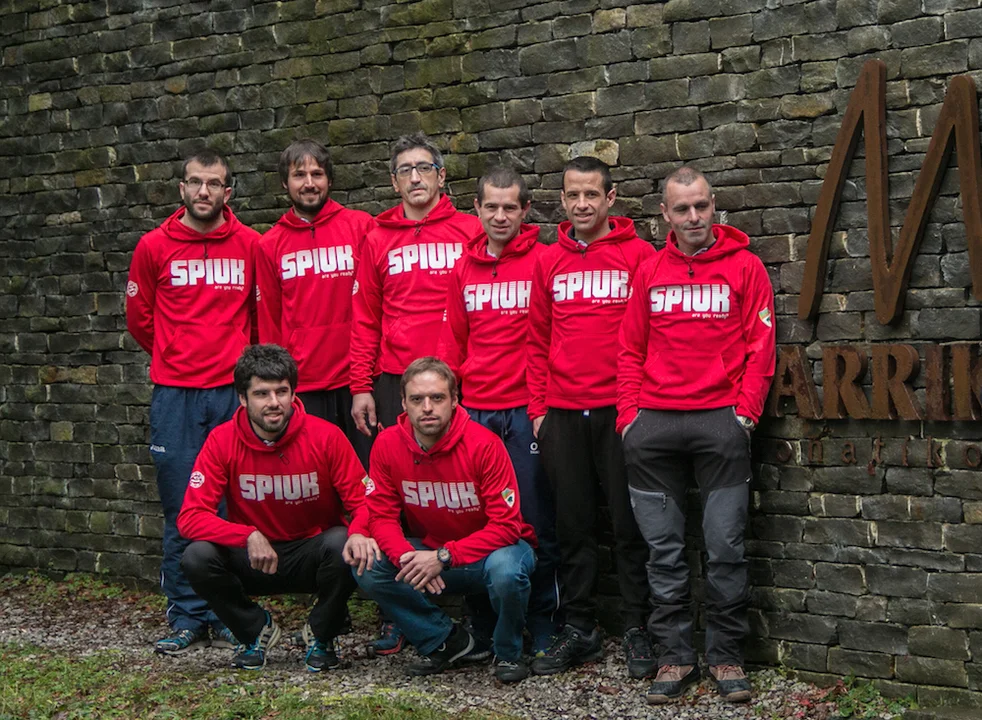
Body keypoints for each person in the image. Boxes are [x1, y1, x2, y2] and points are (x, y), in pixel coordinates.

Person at [617, 166, 776, 704]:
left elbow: (761, 349)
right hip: (654, 427)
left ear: (714, 206)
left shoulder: (745, 266)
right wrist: (630, 419)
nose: (693, 217)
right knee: (663, 552)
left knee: (725, 546)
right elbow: (629, 348)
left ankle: (727, 656)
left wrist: (744, 416)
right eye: (681, 208)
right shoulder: (649, 270)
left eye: (701, 206)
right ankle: (675, 657)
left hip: (719, 423)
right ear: (665, 213)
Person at [526, 156, 657, 679]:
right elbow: (536, 340)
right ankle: (580, 628)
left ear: (610, 198)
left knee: (629, 527)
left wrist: (637, 409)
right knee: (573, 528)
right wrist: (539, 411)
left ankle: (637, 627)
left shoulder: (640, 256)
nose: (582, 205)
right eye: (573, 195)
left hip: (620, 414)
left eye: (591, 195)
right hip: (562, 414)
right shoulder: (546, 261)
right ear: (562, 200)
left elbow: (652, 336)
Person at [126, 148, 259, 655]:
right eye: (195, 182)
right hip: (176, 396)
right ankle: (186, 614)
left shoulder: (250, 245)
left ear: (229, 191)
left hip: (231, 396)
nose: (204, 191)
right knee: (182, 507)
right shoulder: (153, 246)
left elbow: (259, 317)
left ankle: (227, 612)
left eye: (214, 183)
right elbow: (140, 319)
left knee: (233, 506)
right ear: (182, 188)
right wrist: (175, 355)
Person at [177, 344, 380, 671]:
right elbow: (190, 517)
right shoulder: (221, 440)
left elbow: (367, 503)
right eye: (262, 394)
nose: (274, 402)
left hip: (310, 555)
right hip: (254, 558)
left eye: (281, 392)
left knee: (346, 541)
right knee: (196, 557)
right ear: (242, 398)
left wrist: (358, 532)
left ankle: (322, 634)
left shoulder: (326, 436)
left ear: (293, 393)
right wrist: (246, 535)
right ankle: (254, 631)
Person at [437, 166, 560, 656]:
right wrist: (452, 407)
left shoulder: (545, 260)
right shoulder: (462, 269)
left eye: (511, 207)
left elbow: (553, 338)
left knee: (536, 519)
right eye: (492, 206)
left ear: (526, 210)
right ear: (477, 209)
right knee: (475, 520)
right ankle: (485, 624)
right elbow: (453, 342)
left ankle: (544, 623)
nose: (501, 216)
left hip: (526, 411)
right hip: (477, 411)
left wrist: (542, 404)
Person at [356, 357, 538, 683]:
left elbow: (507, 526)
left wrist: (443, 557)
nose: (427, 408)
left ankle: (508, 652)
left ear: (454, 400)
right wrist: (406, 558)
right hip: (431, 552)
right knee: (369, 565)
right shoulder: (387, 444)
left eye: (437, 398)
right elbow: (381, 515)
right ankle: (445, 641)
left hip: (492, 553)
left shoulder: (485, 445)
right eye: (417, 399)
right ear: (403, 403)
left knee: (507, 570)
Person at [349, 132, 482, 435]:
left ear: (441, 176)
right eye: (405, 170)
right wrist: (360, 387)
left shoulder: (472, 231)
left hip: (459, 375)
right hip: (397, 376)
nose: (415, 178)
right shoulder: (376, 239)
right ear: (395, 183)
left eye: (424, 168)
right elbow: (365, 318)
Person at [255, 139, 375, 467]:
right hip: (304, 385)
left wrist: (367, 376)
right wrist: (279, 385)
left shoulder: (361, 227)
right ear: (285, 183)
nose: (309, 183)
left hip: (357, 382)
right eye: (299, 175)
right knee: (316, 476)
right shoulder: (269, 245)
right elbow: (269, 322)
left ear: (329, 180)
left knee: (367, 476)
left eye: (317, 174)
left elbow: (375, 306)